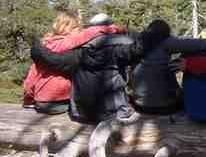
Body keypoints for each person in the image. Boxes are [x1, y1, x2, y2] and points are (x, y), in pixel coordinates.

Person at [29, 22, 174, 123]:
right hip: (112, 114)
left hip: (80, 114)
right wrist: (157, 30)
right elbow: (138, 48)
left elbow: (50, 58)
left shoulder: (76, 55)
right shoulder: (116, 52)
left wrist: (36, 47)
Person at [22, 11, 122, 115]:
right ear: (67, 27)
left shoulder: (45, 46)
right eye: (77, 27)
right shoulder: (65, 42)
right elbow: (90, 32)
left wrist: (28, 100)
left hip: (41, 102)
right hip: (61, 101)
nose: (79, 30)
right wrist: (113, 28)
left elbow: (30, 80)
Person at [128, 20, 206, 115]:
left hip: (139, 104)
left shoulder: (137, 43)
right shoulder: (166, 42)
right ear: (166, 33)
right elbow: (200, 44)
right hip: (165, 106)